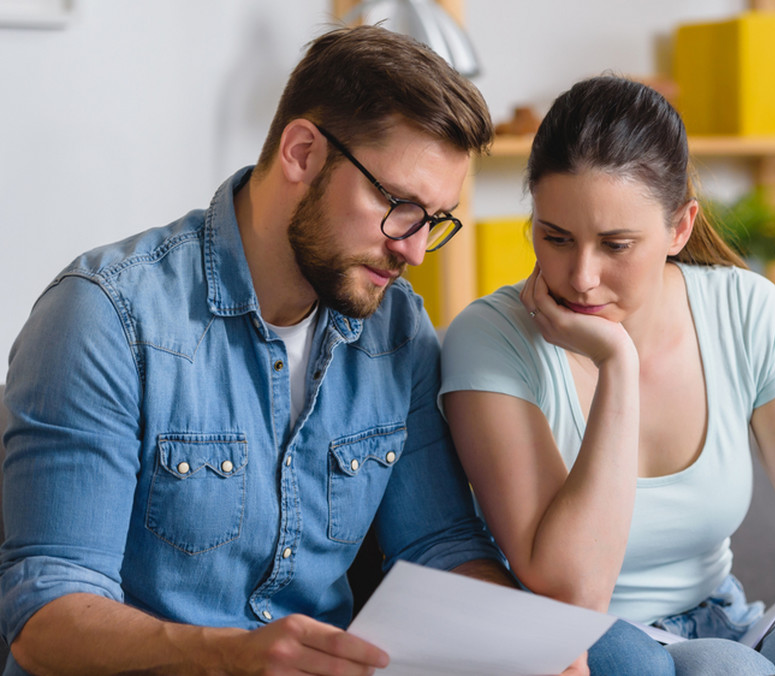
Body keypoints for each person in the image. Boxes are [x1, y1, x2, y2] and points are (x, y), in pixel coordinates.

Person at [0, 27, 653, 676]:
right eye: (400, 206)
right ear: (303, 153)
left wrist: (524, 645)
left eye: (436, 220)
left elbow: (437, 545)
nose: (414, 250)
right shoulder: (107, 315)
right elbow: (44, 615)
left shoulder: (396, 329)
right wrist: (229, 658)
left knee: (616, 656)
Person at [439, 75, 775, 674]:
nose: (581, 276)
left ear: (680, 227)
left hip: (720, 619)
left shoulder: (747, 311)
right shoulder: (490, 339)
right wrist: (617, 366)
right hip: (572, 635)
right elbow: (567, 589)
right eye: (556, 237)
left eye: (616, 245)